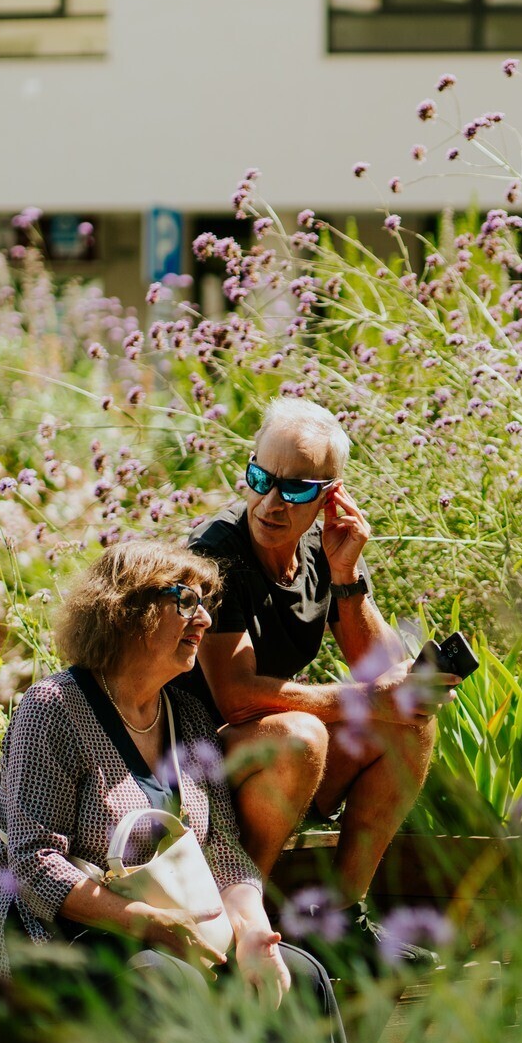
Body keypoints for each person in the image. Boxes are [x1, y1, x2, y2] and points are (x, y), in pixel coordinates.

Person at [0, 540, 344, 1043]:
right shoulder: (54, 709)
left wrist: (256, 934)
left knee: (301, 976)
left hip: (174, 937)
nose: (204, 620)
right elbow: (33, 863)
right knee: (166, 985)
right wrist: (148, 926)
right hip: (63, 937)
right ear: (127, 611)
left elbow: (221, 848)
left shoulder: (189, 720)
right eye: (186, 601)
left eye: (206, 604)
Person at [170, 397, 458, 954]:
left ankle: (344, 923)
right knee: (301, 737)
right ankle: (238, 925)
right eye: (260, 478)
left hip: (266, 765)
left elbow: (379, 670)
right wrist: (366, 698)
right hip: (193, 770)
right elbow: (236, 698)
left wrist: (347, 574)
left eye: (297, 489)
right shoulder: (217, 551)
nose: (270, 503)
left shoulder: (325, 547)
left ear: (331, 496)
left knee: (411, 723)